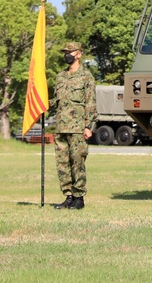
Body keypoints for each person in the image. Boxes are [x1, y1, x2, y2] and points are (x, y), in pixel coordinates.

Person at [50, 41, 97, 210]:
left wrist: (88, 126)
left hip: (78, 127)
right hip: (61, 126)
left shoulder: (86, 76)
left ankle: (79, 197)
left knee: (77, 162)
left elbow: (90, 102)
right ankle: (68, 196)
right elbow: (57, 100)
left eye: (70, 51)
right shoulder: (61, 76)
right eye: (65, 51)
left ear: (79, 54)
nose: (67, 54)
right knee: (62, 163)